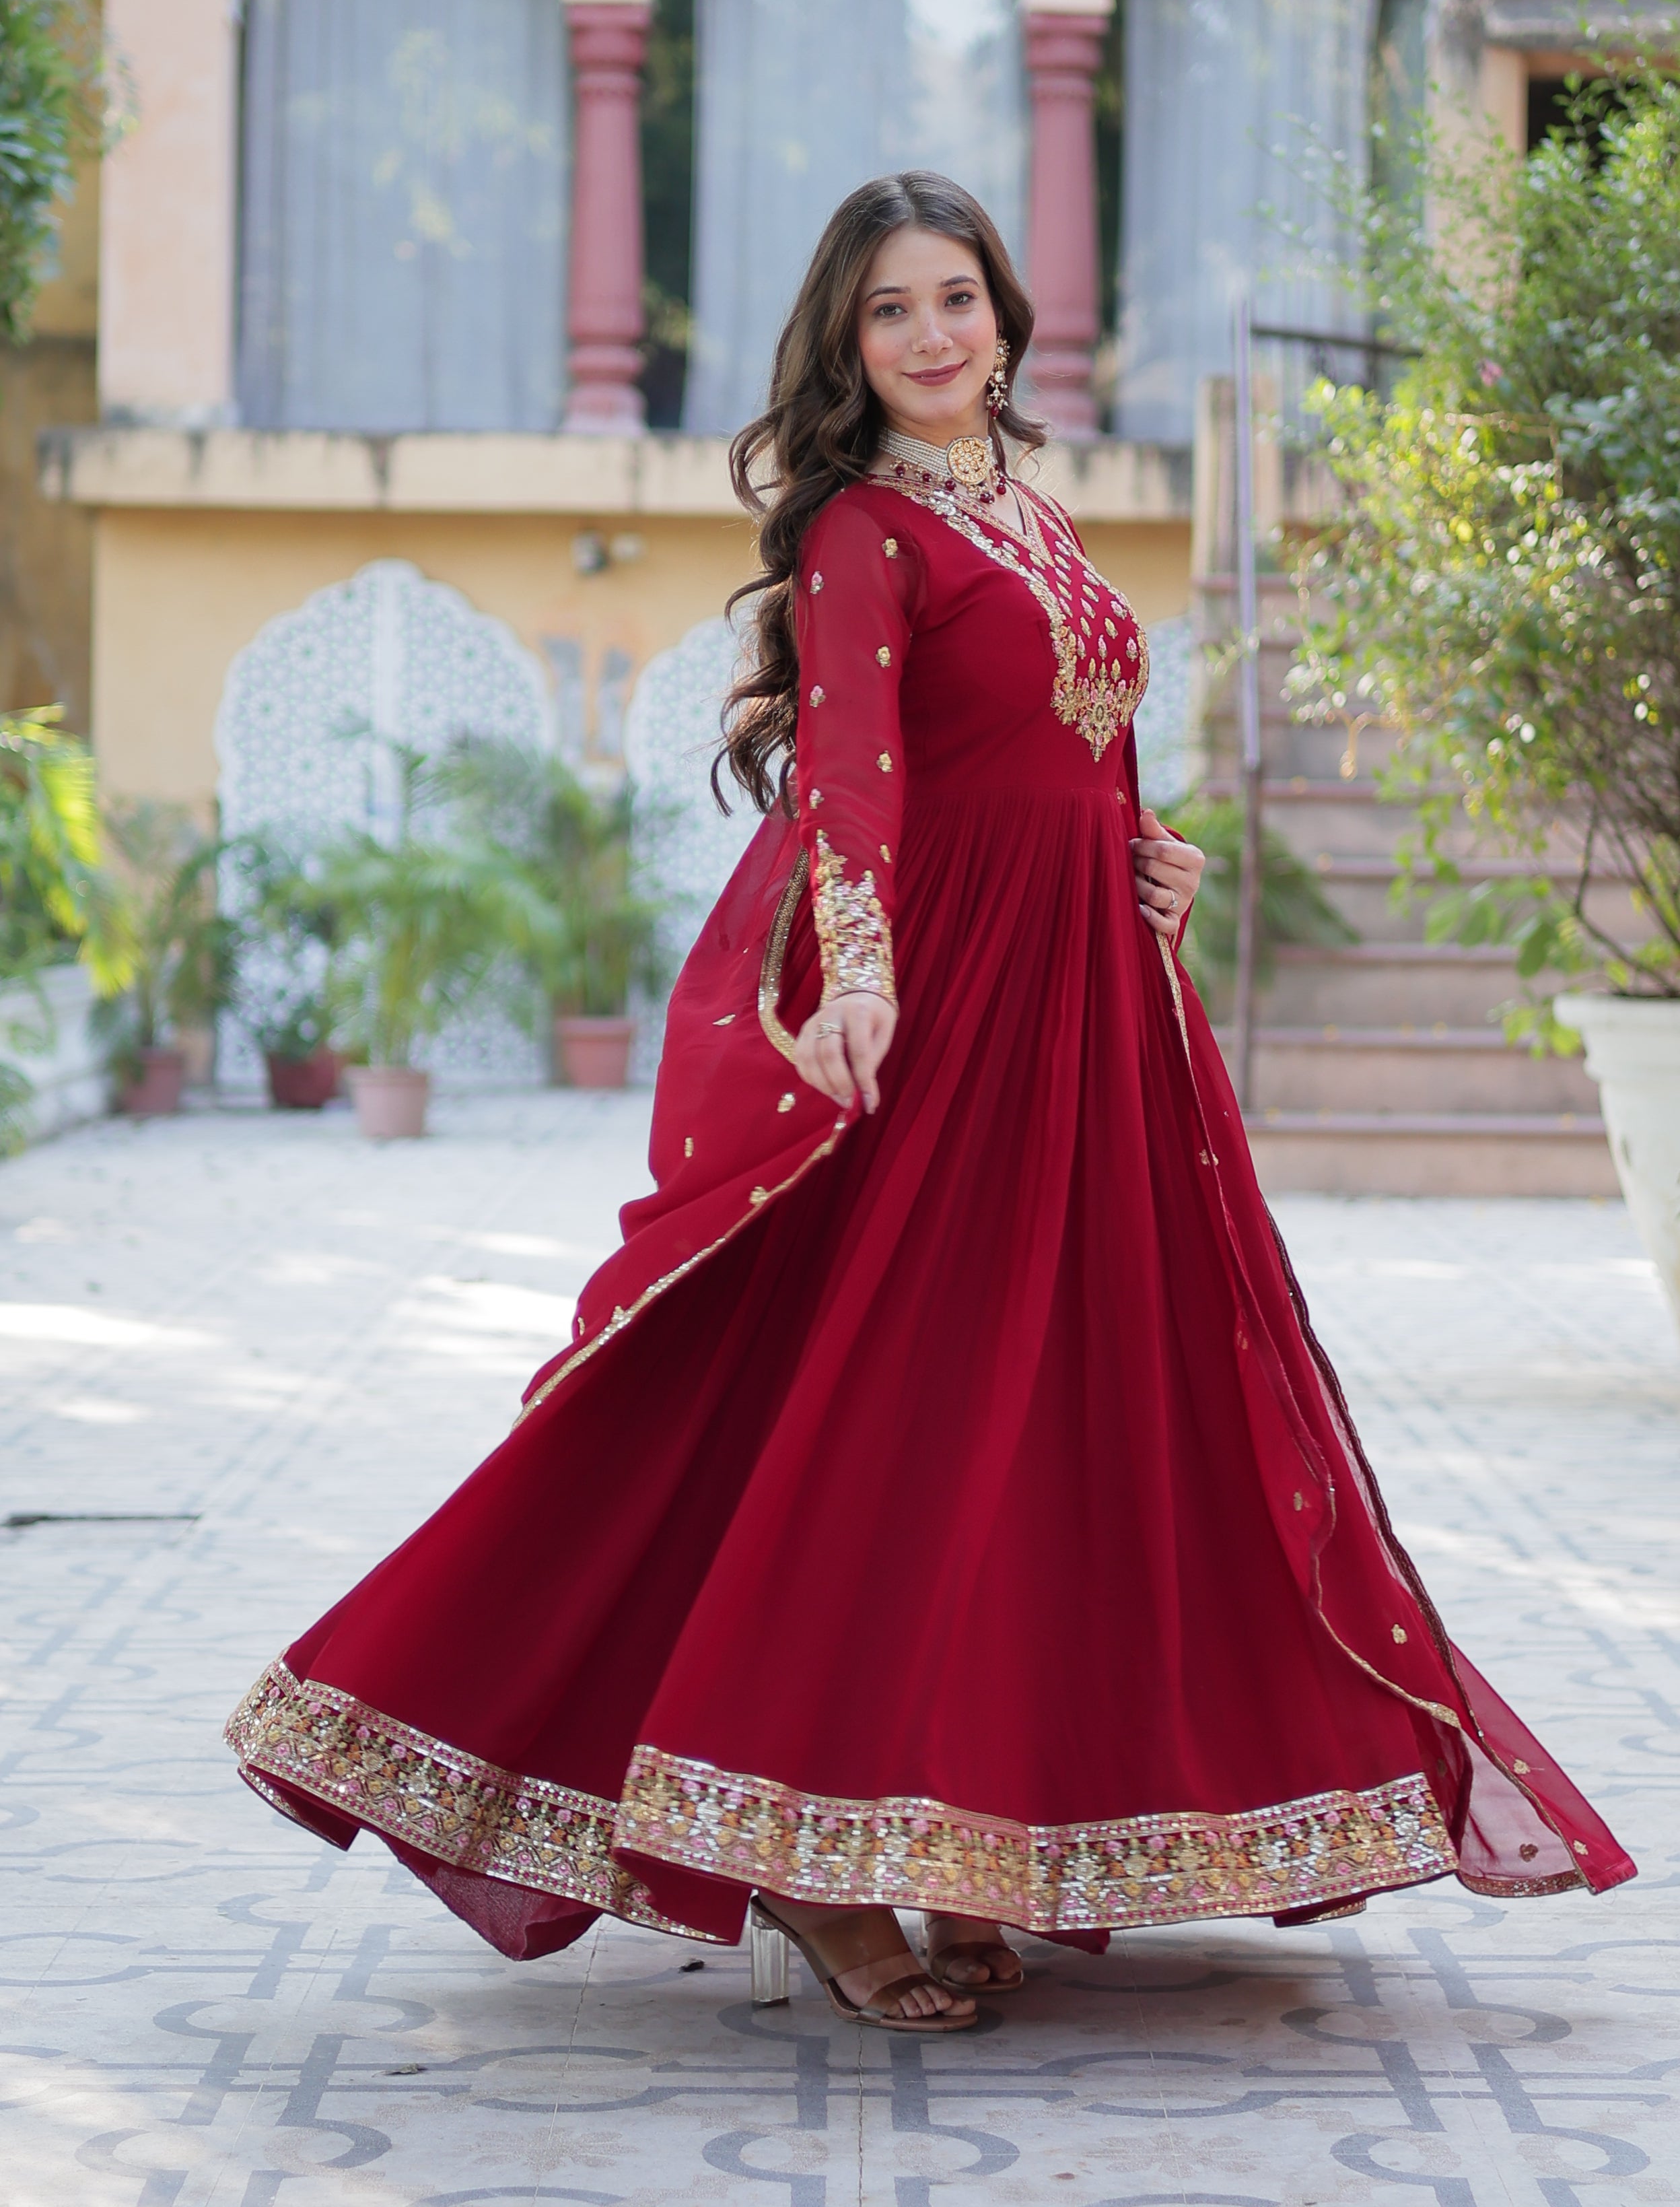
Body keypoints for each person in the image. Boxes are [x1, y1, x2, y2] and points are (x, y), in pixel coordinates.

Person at [228, 170, 1632, 2033]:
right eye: (889, 311)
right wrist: (865, 973)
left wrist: (1159, 856)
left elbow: (1078, 749)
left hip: (1093, 1011)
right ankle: (814, 1864)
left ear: (1004, 314)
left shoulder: (1030, 516)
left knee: (1069, 1414)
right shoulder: (859, 531)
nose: (930, 335)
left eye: (954, 296)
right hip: (960, 1009)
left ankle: (976, 1836)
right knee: (897, 1406)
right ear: (848, 341)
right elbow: (861, 775)